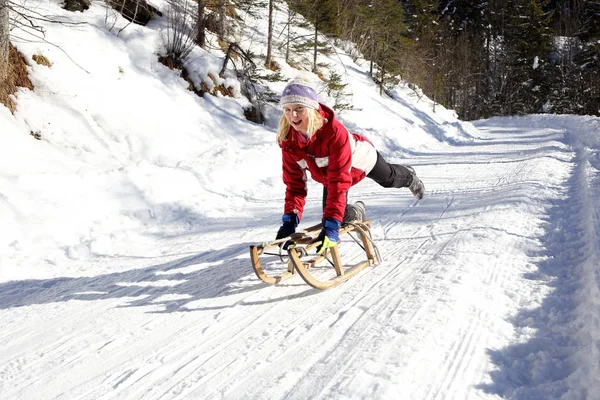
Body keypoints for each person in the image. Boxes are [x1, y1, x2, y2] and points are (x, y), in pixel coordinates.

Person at [275, 74, 425, 254]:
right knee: (335, 214)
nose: (293, 115)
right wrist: (290, 220)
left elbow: (339, 182)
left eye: (299, 108)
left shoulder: (334, 133)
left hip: (361, 158)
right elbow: (294, 185)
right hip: (331, 176)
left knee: (388, 179)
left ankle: (408, 176)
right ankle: (356, 211)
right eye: (287, 109)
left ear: (312, 108)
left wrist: (331, 228)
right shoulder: (289, 140)